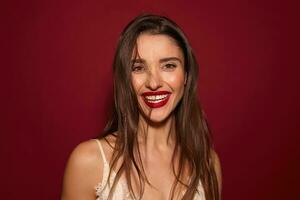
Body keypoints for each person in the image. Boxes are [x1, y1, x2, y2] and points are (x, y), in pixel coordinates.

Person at [61, 14, 222, 200]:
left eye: (168, 66)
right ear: (125, 79)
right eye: (138, 68)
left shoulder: (208, 164)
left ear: (186, 76)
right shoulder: (89, 162)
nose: (154, 83)